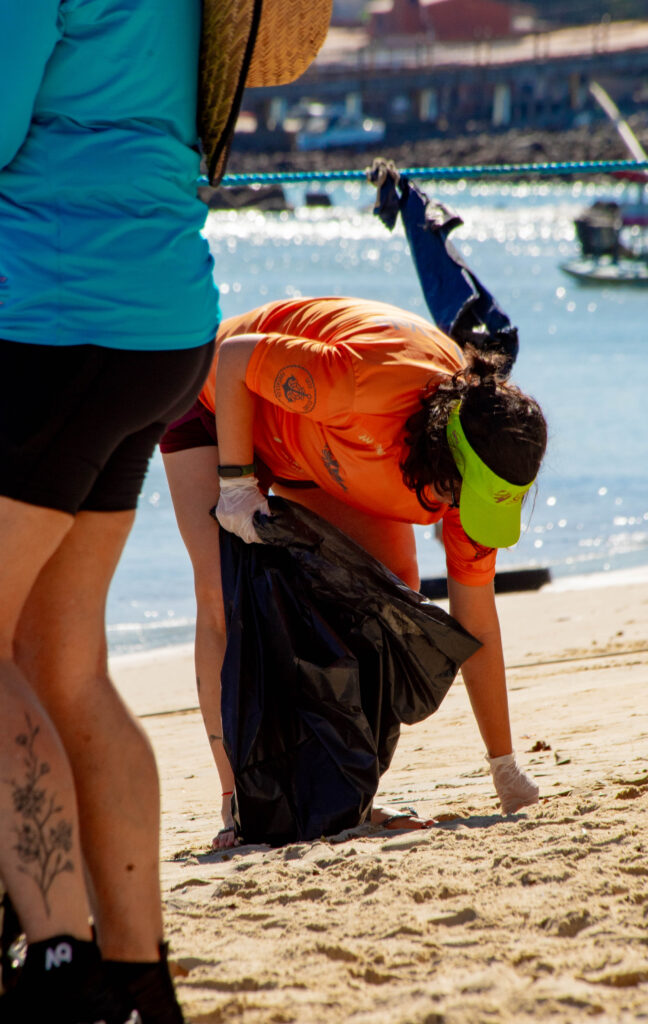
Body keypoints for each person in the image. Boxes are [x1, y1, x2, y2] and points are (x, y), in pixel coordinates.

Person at [0, 2, 222, 1021]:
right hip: (160, 316)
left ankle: (58, 958)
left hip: (51, 318)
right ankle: (139, 977)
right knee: (64, 665)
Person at [160, 296, 548, 850]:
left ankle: (347, 792)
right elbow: (235, 359)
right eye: (458, 496)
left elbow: (477, 620)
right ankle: (237, 804)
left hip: (313, 441)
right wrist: (238, 483)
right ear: (442, 454)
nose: (460, 513)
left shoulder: (482, 459)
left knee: (390, 601)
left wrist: (505, 766)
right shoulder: (365, 384)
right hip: (213, 399)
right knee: (224, 598)